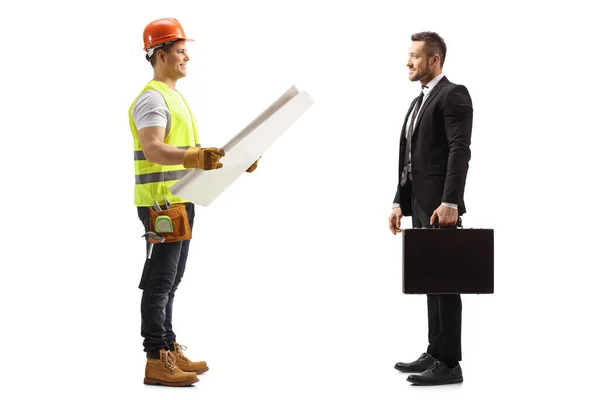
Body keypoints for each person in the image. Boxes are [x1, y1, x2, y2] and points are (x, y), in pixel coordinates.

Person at [128, 17, 260, 387]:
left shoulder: (173, 97)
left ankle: (168, 346)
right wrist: (195, 158)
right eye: (180, 50)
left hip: (179, 203)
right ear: (159, 54)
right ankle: (156, 358)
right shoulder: (152, 98)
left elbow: (187, 153)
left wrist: (230, 162)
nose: (187, 57)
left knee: (171, 281)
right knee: (159, 282)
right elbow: (154, 148)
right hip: (160, 206)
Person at [388, 31, 473, 386]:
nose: (408, 62)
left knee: (446, 282)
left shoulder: (453, 94)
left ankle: (450, 364)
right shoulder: (418, 101)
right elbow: (410, 159)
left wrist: (450, 200)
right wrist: (398, 201)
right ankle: (435, 351)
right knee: (430, 279)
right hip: (421, 205)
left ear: (434, 59)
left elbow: (459, 149)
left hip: (441, 206)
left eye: (415, 56)